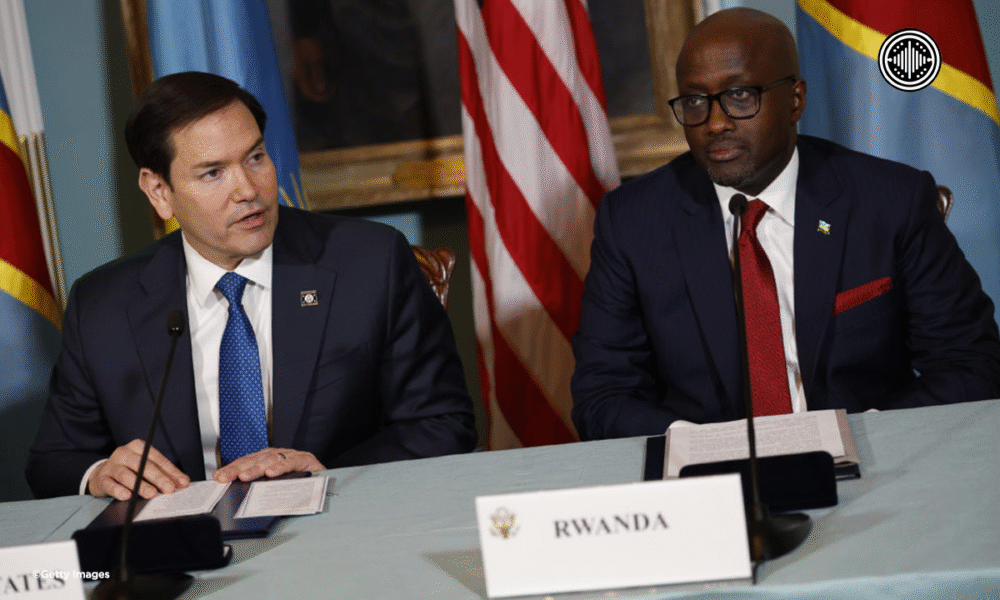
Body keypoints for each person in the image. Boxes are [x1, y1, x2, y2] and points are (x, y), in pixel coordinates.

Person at [26, 72, 476, 499]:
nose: (247, 189)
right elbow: (54, 459)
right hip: (181, 541)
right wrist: (100, 473)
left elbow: (444, 422)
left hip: (340, 525)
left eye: (255, 157)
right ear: (159, 191)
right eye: (212, 173)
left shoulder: (370, 263)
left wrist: (327, 472)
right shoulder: (104, 305)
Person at [571, 8, 1000, 440]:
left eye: (741, 96)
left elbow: (970, 362)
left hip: (875, 458)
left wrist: (869, 438)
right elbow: (603, 395)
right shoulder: (633, 222)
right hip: (708, 469)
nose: (715, 124)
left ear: (795, 100)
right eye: (695, 102)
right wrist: (700, 447)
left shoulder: (889, 201)